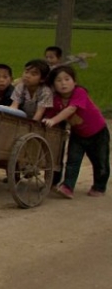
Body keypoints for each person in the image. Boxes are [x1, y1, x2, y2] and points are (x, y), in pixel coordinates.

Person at [42, 65, 109, 199]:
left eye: (67, 79)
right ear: (53, 85)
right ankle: (68, 186)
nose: (63, 83)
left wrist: (53, 120)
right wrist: (46, 120)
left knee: (100, 161)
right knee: (73, 160)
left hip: (98, 132)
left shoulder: (79, 92)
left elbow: (71, 109)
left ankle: (99, 186)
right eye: (59, 80)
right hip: (78, 134)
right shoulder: (56, 100)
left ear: (75, 81)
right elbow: (49, 113)